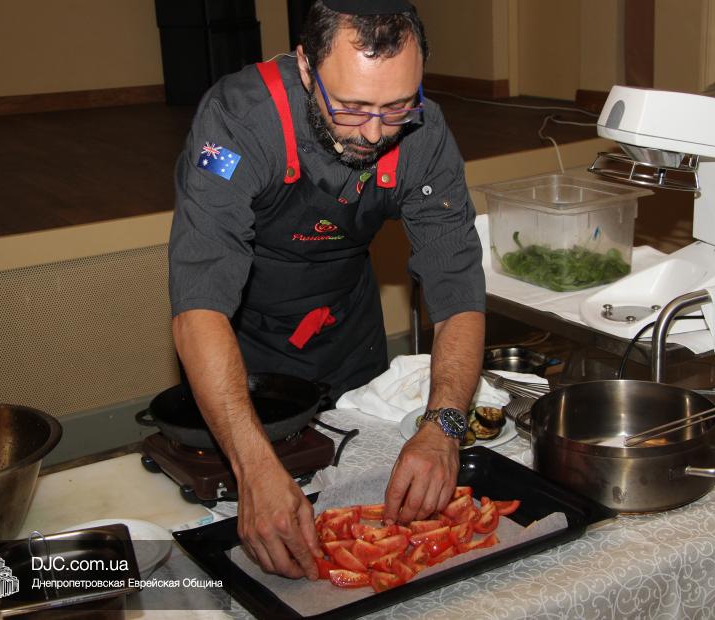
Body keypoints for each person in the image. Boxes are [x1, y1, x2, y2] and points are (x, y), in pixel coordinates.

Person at [168, 0, 485, 580]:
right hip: (245, 344)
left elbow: (457, 287)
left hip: (347, 324)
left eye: (397, 107)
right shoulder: (239, 119)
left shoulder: (425, 133)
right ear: (305, 66)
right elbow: (200, 306)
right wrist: (253, 468)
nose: (375, 132)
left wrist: (443, 427)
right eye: (351, 107)